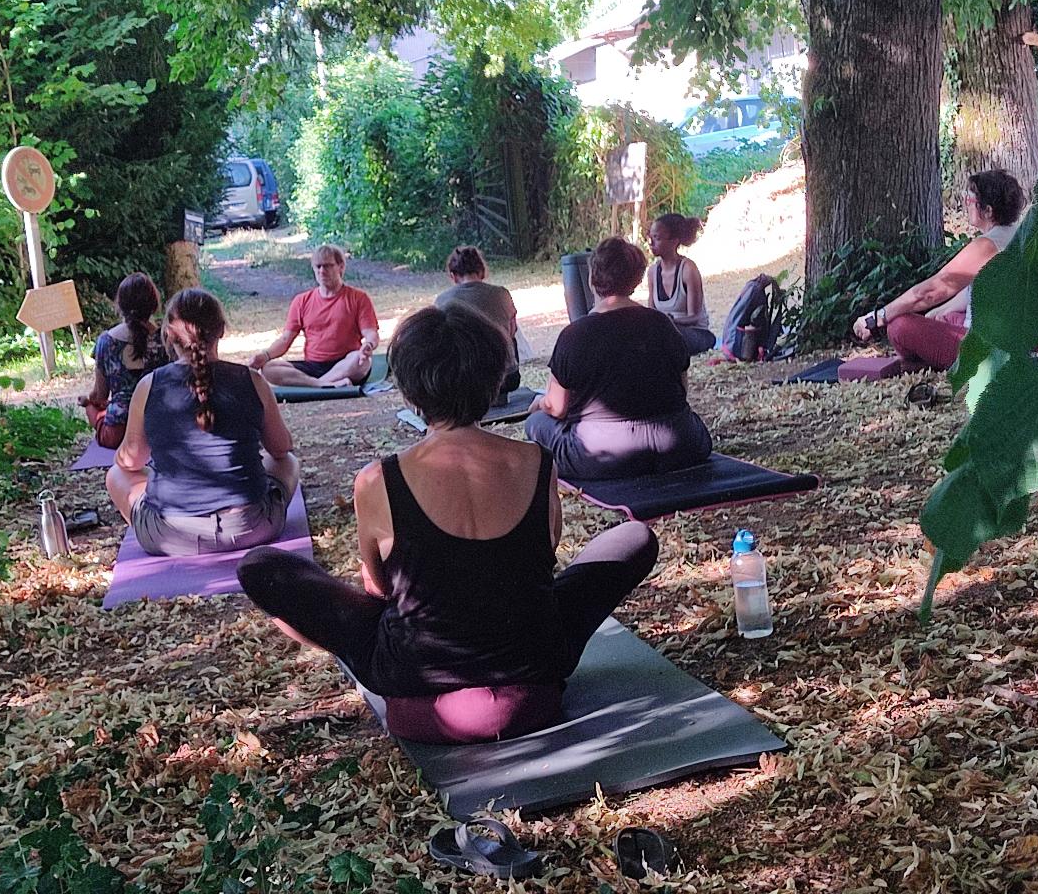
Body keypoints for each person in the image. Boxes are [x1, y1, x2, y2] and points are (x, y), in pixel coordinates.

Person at [236, 304, 659, 745]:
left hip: (413, 672)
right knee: (635, 538)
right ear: (495, 379)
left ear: (408, 389)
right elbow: (543, 562)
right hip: (536, 660)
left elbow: (378, 589)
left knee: (262, 569)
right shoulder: (536, 461)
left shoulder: (377, 480)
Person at [106, 288, 300, 557]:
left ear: (169, 335)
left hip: (170, 535)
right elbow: (281, 449)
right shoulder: (252, 380)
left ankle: (161, 533)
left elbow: (131, 461)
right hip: (251, 527)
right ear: (221, 330)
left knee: (116, 474)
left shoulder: (148, 387)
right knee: (288, 462)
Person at [525, 236, 713, 480]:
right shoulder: (663, 325)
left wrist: (539, 404)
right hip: (681, 445)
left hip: (603, 456)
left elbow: (557, 408)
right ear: (635, 280)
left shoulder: (574, 335)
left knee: (536, 423)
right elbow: (681, 390)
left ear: (593, 279)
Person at [852, 169, 1026, 370]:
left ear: (987, 211)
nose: (965, 205)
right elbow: (972, 290)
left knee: (900, 326)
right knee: (947, 317)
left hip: (998, 352)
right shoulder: (1017, 235)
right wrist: (938, 312)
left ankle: (925, 362)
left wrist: (878, 317)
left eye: (969, 200)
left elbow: (930, 291)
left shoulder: (989, 245)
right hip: (1024, 342)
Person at [249, 244, 380, 388]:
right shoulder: (301, 301)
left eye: (328, 266)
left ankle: (320, 383)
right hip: (312, 366)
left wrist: (368, 345)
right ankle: (323, 384)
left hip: (346, 363)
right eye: (318, 267)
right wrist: (265, 356)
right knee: (269, 368)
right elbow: (285, 340)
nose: (322, 271)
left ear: (341, 267)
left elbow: (371, 333)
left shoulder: (358, 298)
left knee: (361, 361)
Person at [78, 272, 169, 449]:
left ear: (120, 304)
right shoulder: (166, 339)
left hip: (118, 432)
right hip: (160, 427)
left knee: (91, 404)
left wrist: (87, 401)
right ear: (154, 303)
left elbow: (99, 395)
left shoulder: (106, 341)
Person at [434, 244, 521, 403]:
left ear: (453, 276)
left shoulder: (442, 301)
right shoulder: (501, 294)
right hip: (507, 378)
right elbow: (512, 330)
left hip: (462, 380)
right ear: (482, 272)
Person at [647, 213, 716, 354]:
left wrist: (670, 321)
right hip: (666, 331)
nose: (651, 243)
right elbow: (651, 313)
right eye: (651, 237)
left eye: (657, 238)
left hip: (695, 334)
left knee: (667, 337)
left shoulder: (688, 269)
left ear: (674, 241)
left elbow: (694, 317)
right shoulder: (652, 272)